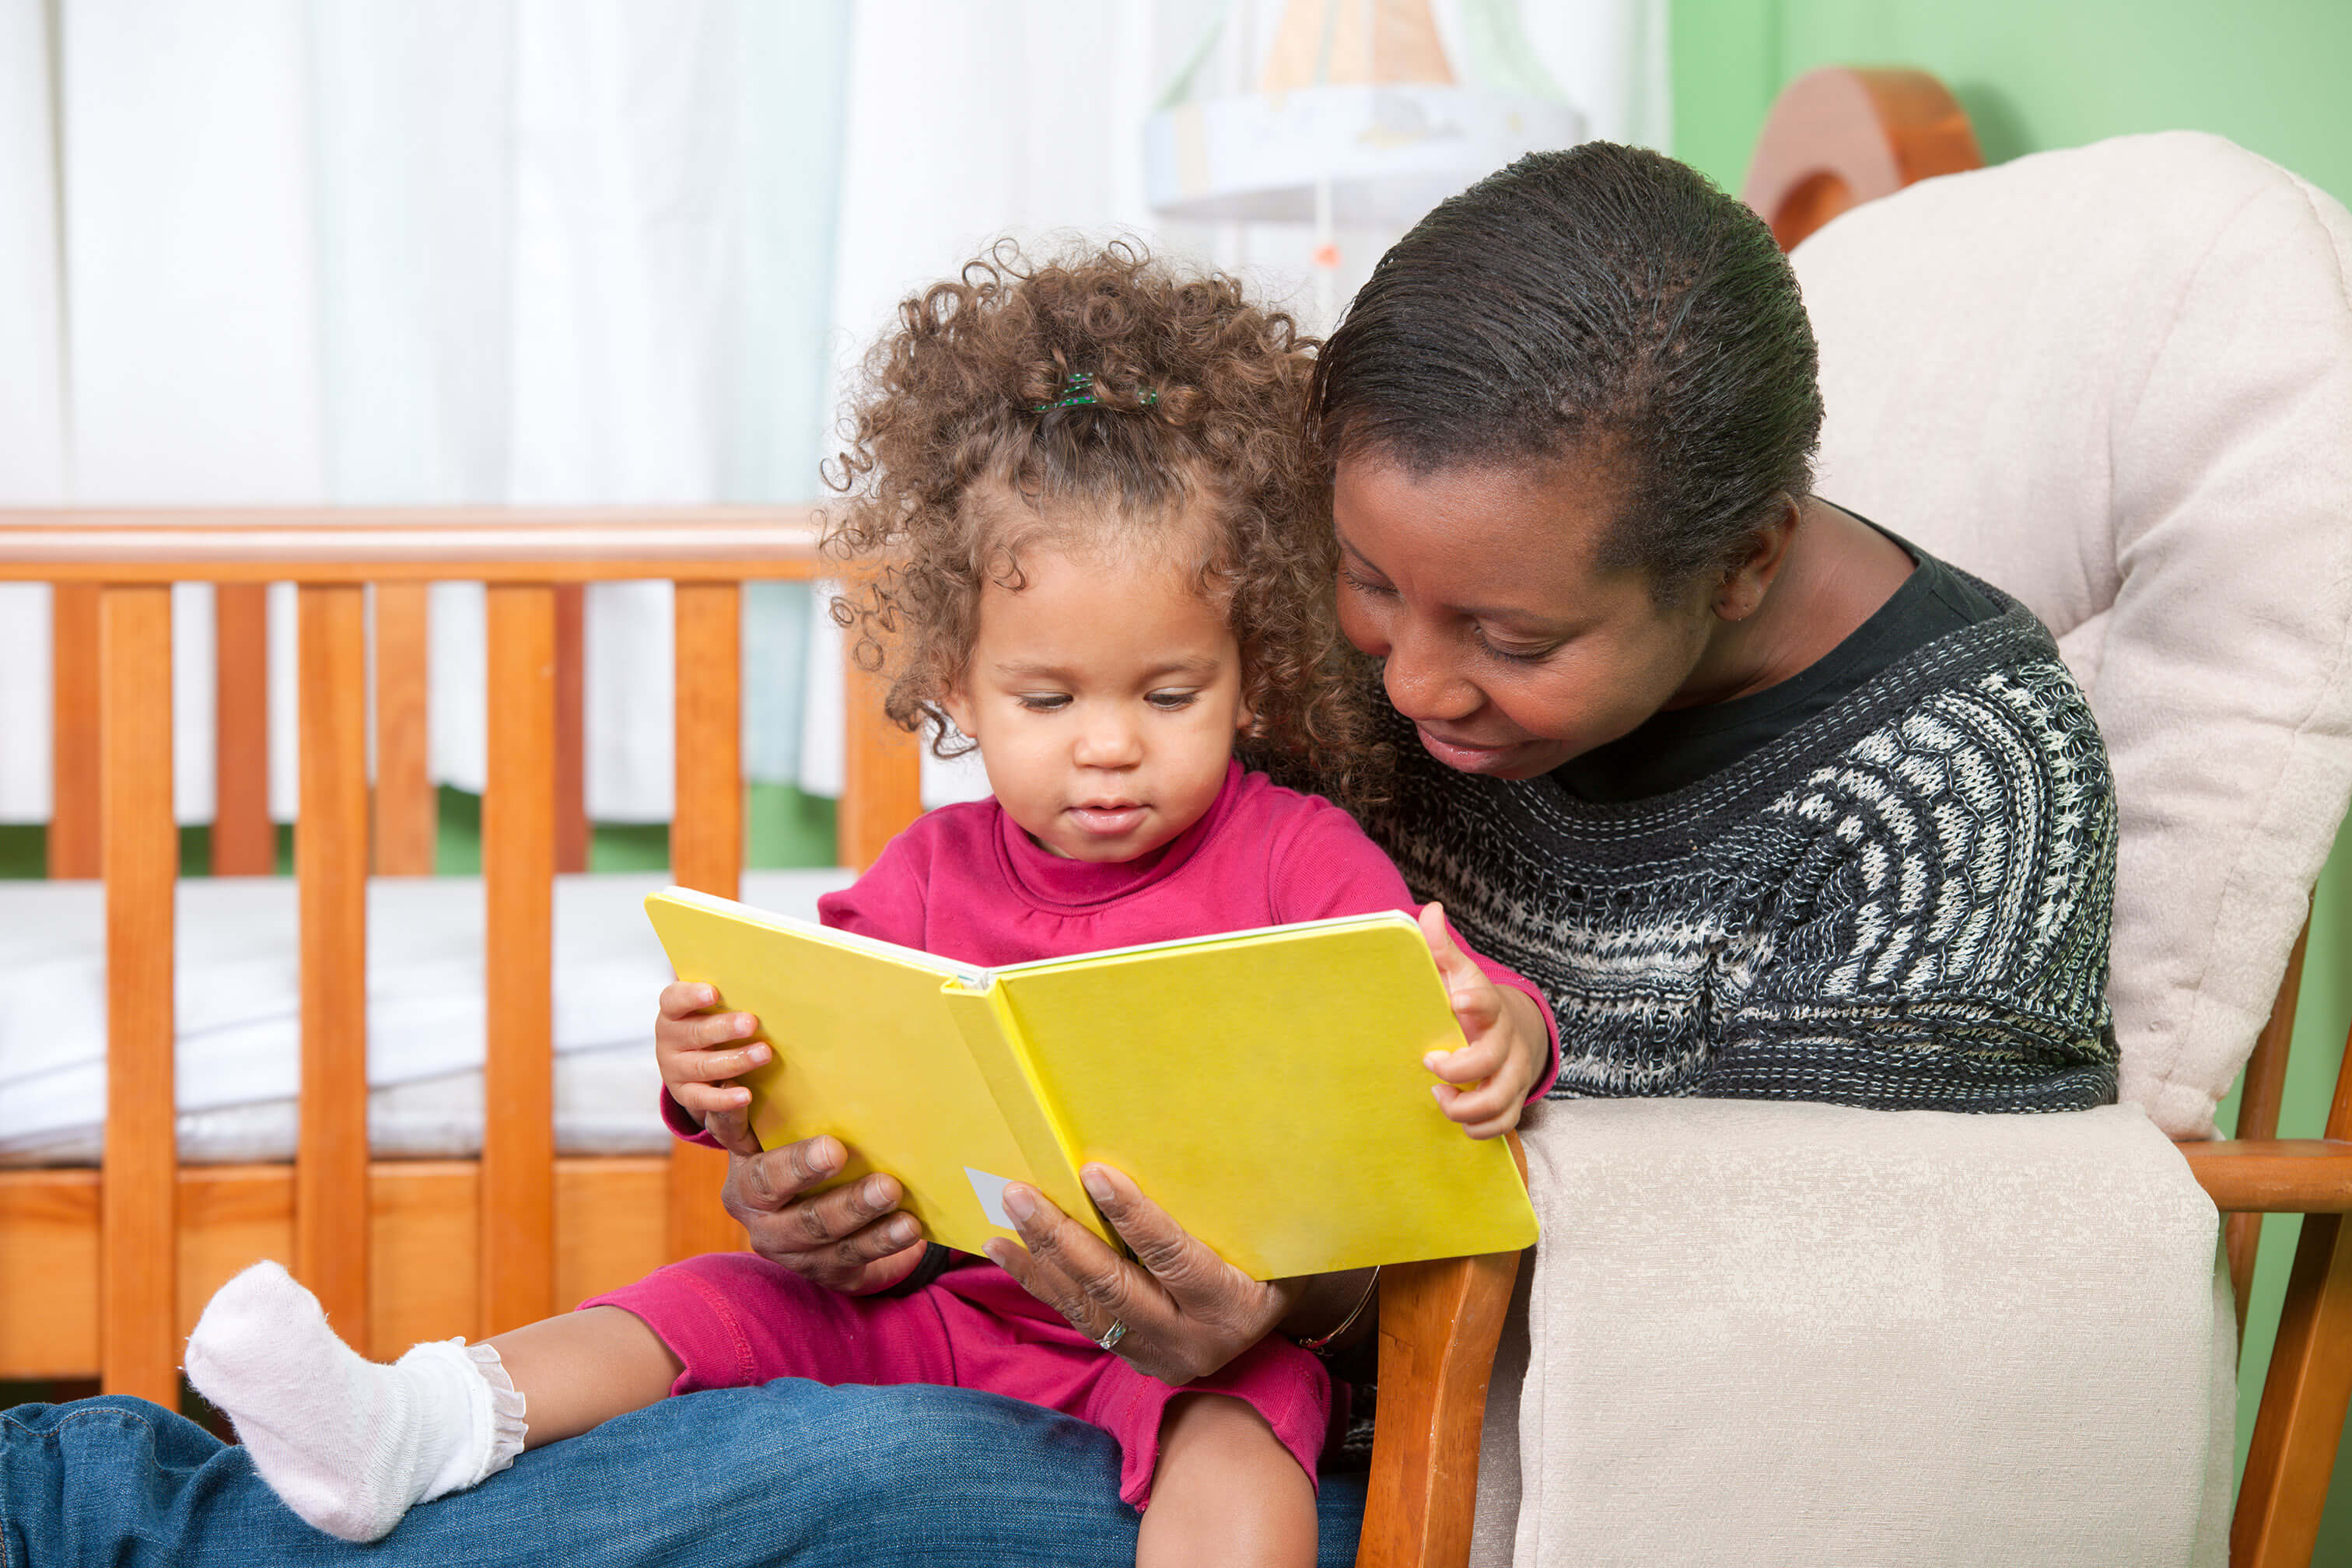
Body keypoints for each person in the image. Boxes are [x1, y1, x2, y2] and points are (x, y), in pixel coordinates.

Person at [0, 142, 2116, 1566]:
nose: (1397, 676)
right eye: (1363, 592)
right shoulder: (1349, 644)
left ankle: (103, 1513)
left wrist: (1306, 1282)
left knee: (812, 1479)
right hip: (1007, 1304)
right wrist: (824, 1179)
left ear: (1737, 561)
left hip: (1340, 1410)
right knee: (727, 1363)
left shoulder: (1952, 787)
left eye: (1507, 640)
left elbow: (1837, 1296)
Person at [169, 244, 1559, 1568]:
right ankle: (410, 1425)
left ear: (1250, 677)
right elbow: (802, 1072)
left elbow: (1439, 1002)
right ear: (953, 685)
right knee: (704, 1302)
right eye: (1048, 697)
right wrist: (714, 1077)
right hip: (943, 1311)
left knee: (1247, 1453)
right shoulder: (928, 876)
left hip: (1195, 1341)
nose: (1109, 745)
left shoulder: (1294, 856)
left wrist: (1505, 1029)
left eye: (1168, 694)